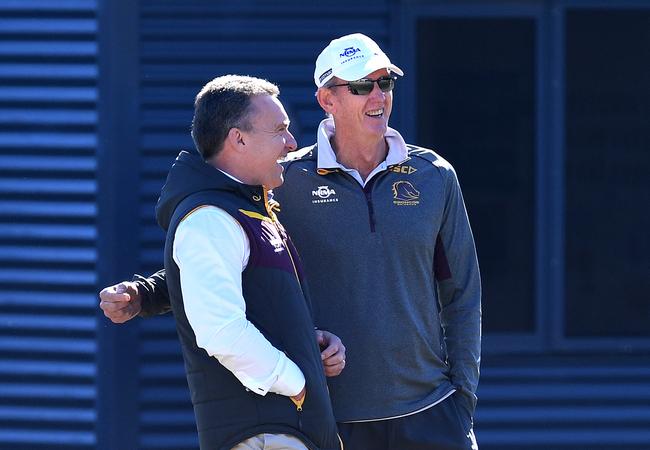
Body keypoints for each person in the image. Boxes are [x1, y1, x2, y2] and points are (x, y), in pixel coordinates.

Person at [101, 33, 481, 450]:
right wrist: (146, 293)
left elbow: (462, 292)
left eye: (384, 83)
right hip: (331, 417)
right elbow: (226, 254)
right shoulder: (282, 178)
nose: (377, 96)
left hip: (431, 414)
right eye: (360, 86)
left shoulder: (434, 175)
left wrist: (461, 399)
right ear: (327, 100)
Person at [119, 74, 344, 450]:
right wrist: (295, 381)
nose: (291, 144)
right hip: (265, 436)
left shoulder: (247, 209)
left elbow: (260, 305)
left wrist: (307, 343)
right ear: (237, 139)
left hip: (287, 431)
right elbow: (220, 330)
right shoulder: (209, 216)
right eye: (280, 130)